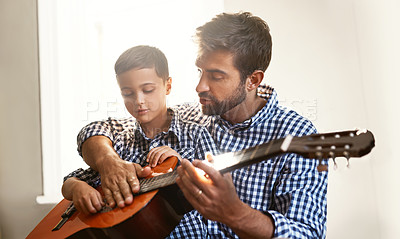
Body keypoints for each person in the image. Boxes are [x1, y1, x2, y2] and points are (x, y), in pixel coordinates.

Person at [75, 12, 328, 238]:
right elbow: (99, 130)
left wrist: (235, 213)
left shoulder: (297, 134)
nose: (200, 87)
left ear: (253, 80)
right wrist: (110, 163)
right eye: (200, 72)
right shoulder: (191, 114)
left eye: (216, 76)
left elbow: (307, 233)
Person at [61, 45, 219, 214]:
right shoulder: (120, 143)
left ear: (168, 86)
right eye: (128, 93)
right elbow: (71, 181)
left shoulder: (196, 133)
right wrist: (77, 187)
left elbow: (216, 191)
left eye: (148, 90)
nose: (139, 100)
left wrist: (179, 163)